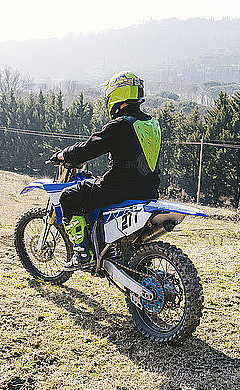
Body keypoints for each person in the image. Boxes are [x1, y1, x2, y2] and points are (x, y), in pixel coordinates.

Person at [50, 71, 162, 268]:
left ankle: (83, 253)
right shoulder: (152, 123)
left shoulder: (121, 125)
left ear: (116, 95)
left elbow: (89, 148)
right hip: (149, 190)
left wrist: (64, 155)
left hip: (120, 188)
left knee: (68, 196)